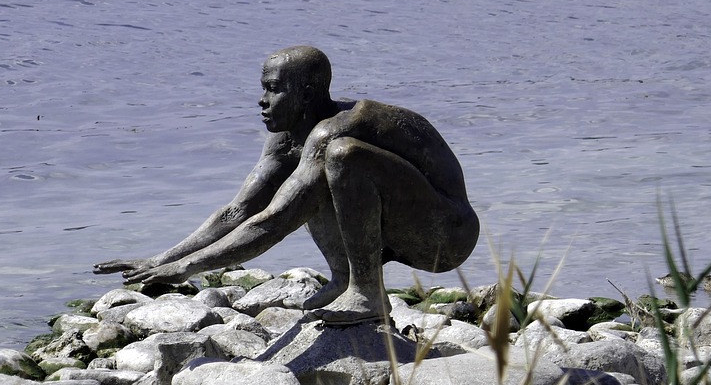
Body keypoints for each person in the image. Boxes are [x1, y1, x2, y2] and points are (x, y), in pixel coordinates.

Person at [94, 46, 479, 326]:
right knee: (309, 179)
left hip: (445, 237)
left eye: (273, 89)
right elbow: (239, 212)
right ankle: (346, 280)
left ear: (308, 93)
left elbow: (275, 221)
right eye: (263, 88)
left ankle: (368, 294)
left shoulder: (336, 130)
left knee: (341, 159)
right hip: (405, 220)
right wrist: (160, 260)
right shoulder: (288, 137)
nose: (262, 101)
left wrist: (188, 268)